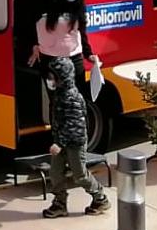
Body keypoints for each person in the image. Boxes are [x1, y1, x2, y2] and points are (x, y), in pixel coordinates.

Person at [42, 55, 111, 218]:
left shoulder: (71, 97)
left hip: (75, 143)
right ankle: (60, 203)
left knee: (79, 175)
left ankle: (100, 198)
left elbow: (74, 126)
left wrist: (60, 143)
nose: (50, 79)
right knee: (55, 173)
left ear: (61, 77)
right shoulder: (60, 93)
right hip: (61, 141)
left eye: (53, 76)